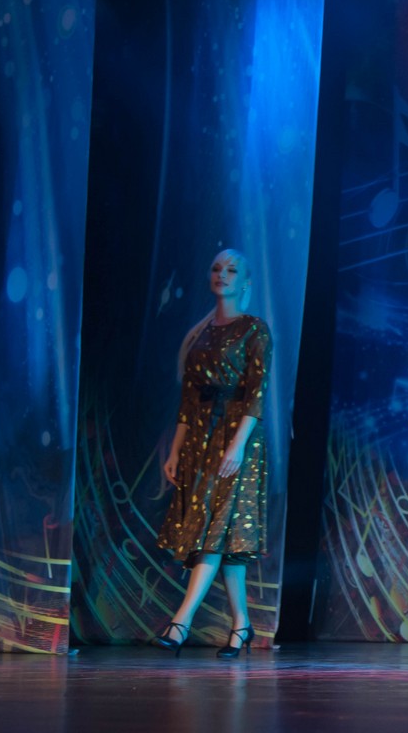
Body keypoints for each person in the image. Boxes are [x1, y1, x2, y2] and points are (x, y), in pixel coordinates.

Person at [152, 249, 271, 659]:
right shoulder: (199, 334)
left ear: (245, 282)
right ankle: (242, 625)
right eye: (217, 268)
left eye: (232, 269)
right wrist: (175, 450)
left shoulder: (255, 330)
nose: (223, 274)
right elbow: (188, 401)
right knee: (224, 538)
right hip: (202, 441)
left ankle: (180, 622)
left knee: (214, 532)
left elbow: (257, 395)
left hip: (239, 441)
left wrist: (237, 446)